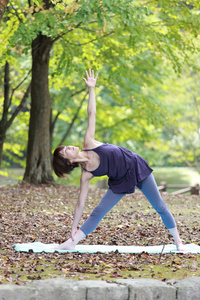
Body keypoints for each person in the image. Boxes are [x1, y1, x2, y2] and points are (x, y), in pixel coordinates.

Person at [52, 69, 184, 251]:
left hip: (136, 167)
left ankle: (178, 242)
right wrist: (73, 226)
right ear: (68, 162)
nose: (69, 147)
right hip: (120, 180)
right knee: (98, 211)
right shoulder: (86, 174)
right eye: (66, 151)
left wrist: (91, 89)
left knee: (160, 206)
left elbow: (92, 114)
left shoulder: (88, 143)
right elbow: (80, 202)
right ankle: (72, 243)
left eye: (66, 146)